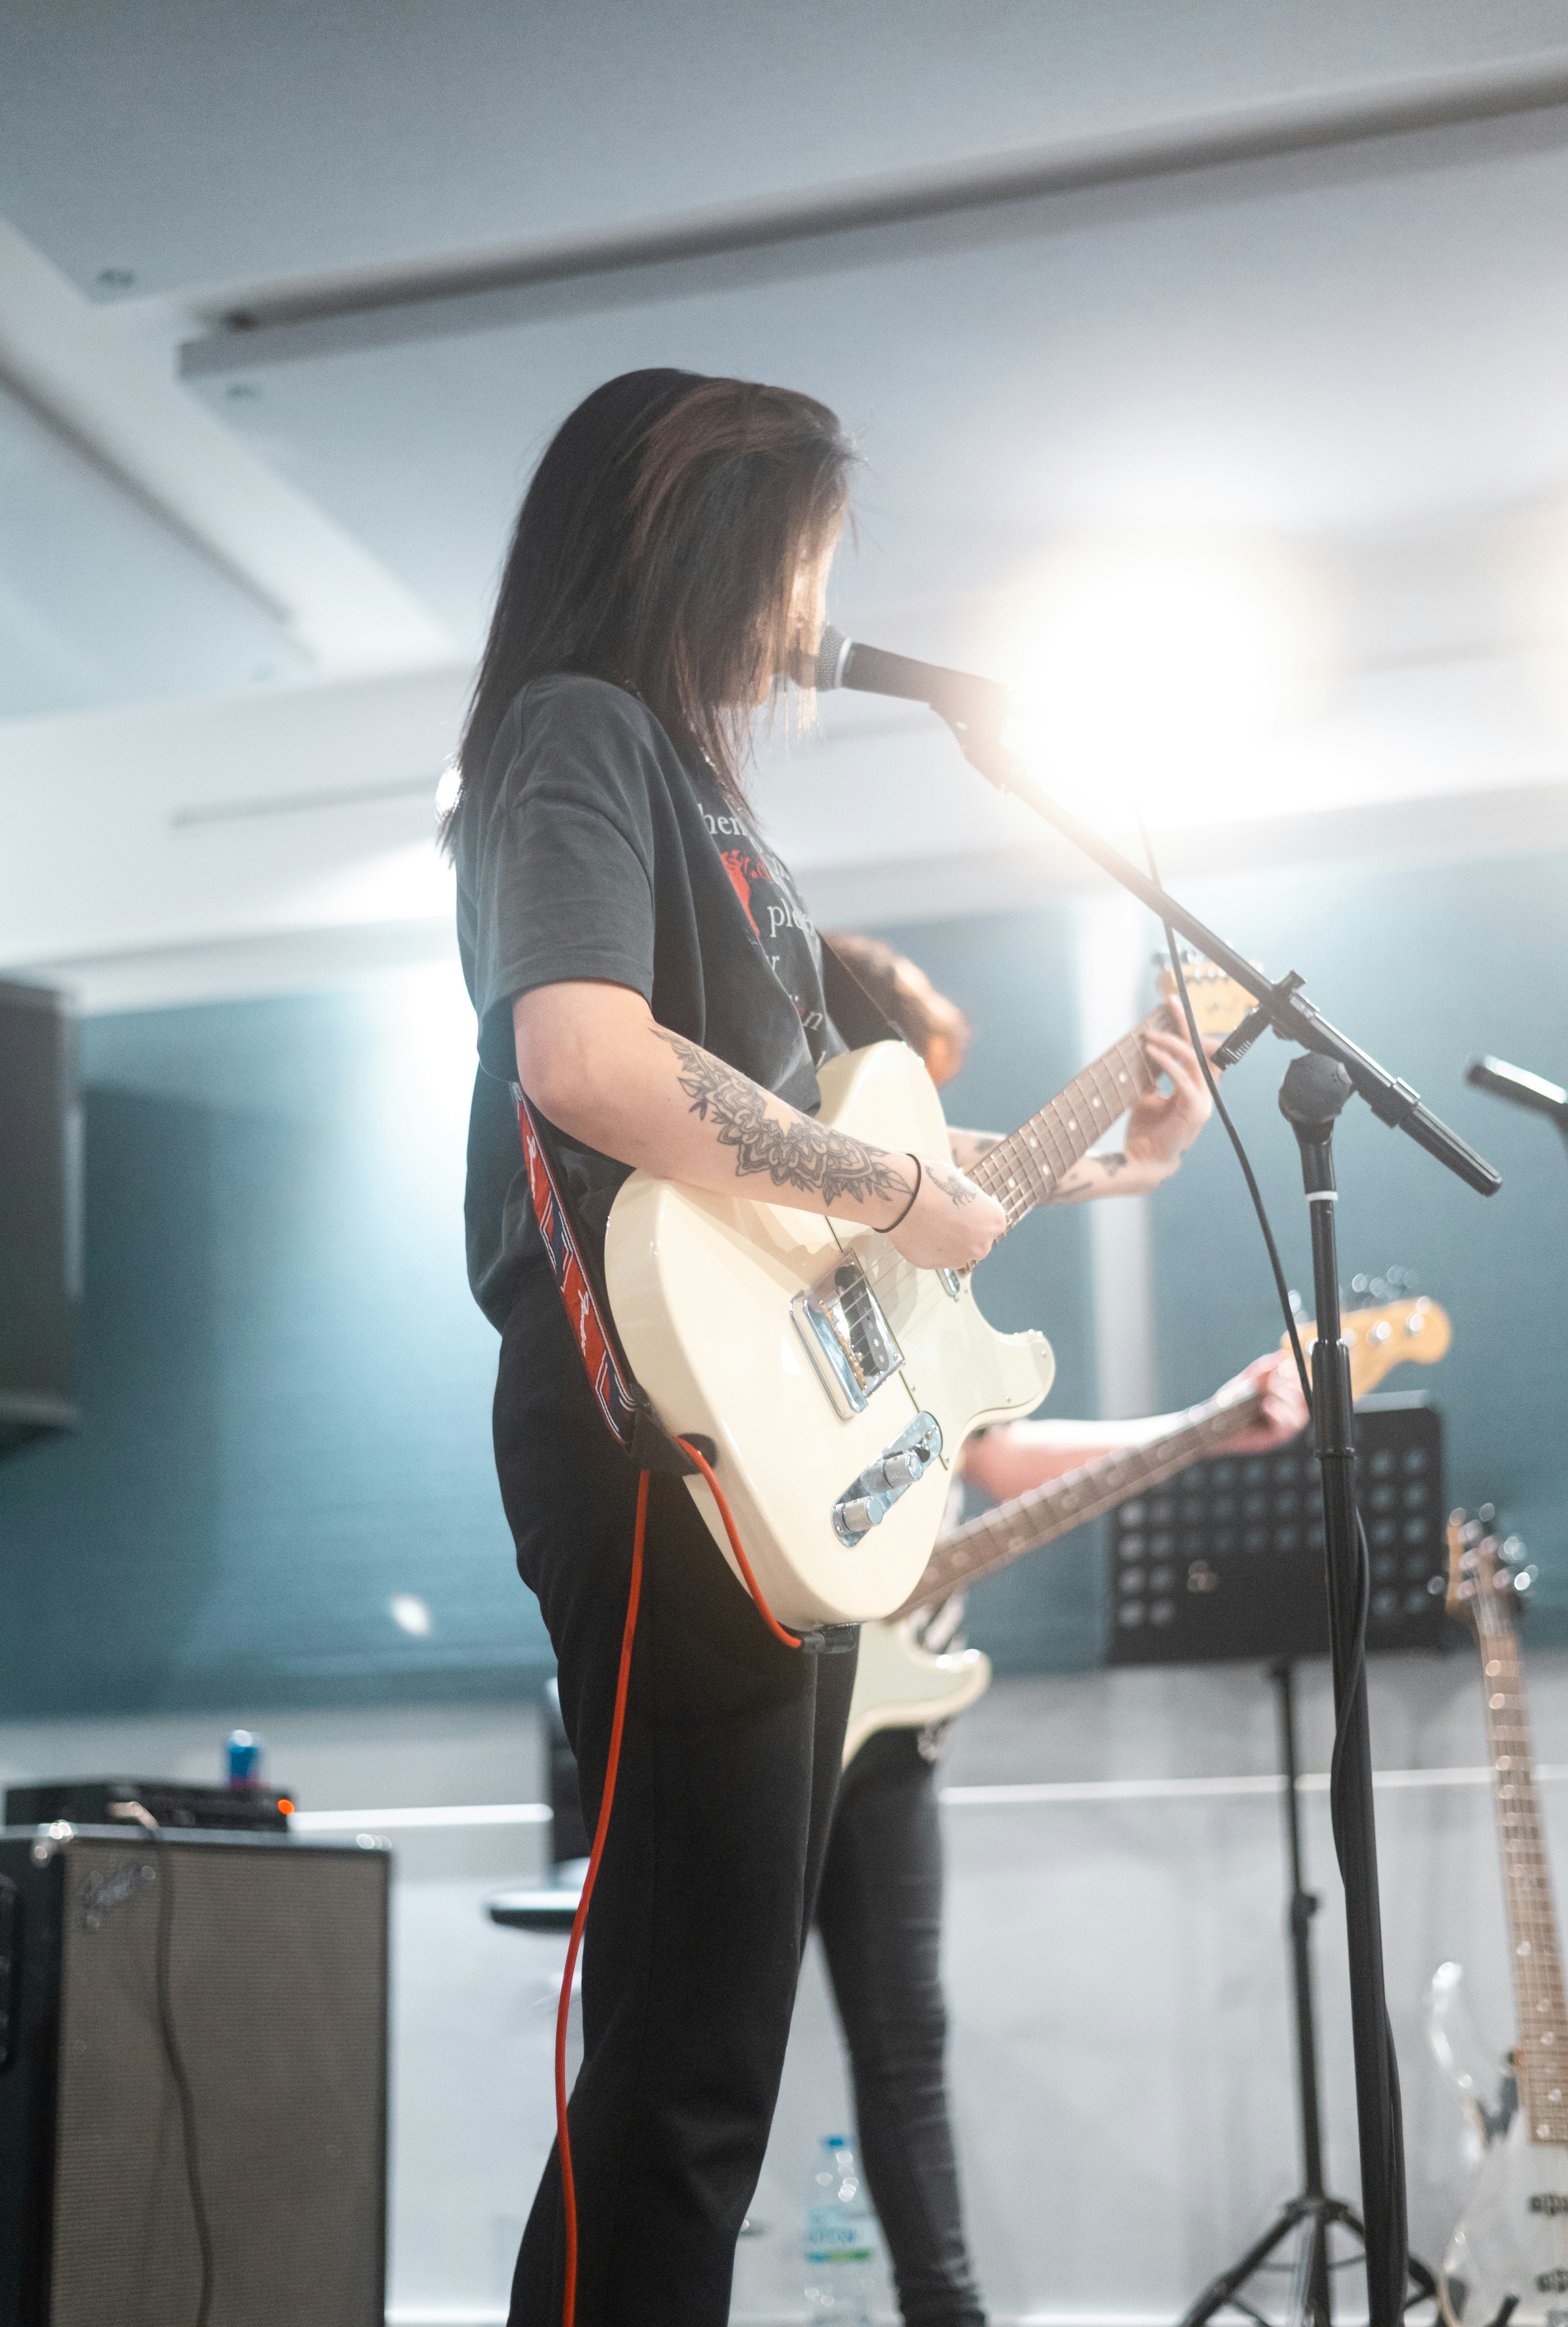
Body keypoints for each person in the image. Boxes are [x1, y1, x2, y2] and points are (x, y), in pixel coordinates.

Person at [447, 369, 1220, 2327]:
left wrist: (1094, 1160)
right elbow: (586, 1061)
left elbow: (833, 1193)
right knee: (686, 2069)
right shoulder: (576, 734)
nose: (807, 612)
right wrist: (891, 1195)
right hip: (652, 1452)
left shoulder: (702, 791)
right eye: (793, 556)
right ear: (697, 543)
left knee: (702, 2066)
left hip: (766, 1452)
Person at [814, 933, 1308, 2327]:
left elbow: (999, 1453)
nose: (930, 1132)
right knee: (693, 2048)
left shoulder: (911, 1278)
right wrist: (1134, 1158)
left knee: (906, 2048)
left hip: (892, 1713)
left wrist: (1206, 1428)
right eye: (919, 1090)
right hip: (767, 1672)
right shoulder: (779, 1223)